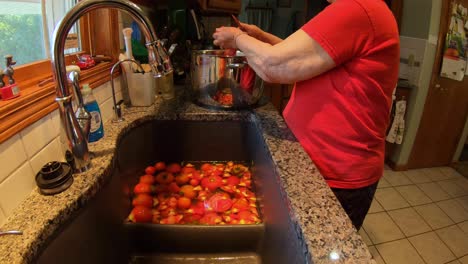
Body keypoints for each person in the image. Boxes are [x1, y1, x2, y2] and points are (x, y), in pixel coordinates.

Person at [212, 0, 399, 230]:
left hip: (336, 172)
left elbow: (276, 65)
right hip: (324, 165)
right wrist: (262, 38)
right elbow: (311, 58)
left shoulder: (357, 7)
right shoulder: (361, 8)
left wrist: (237, 39)